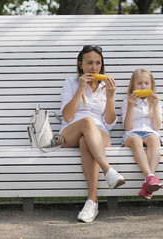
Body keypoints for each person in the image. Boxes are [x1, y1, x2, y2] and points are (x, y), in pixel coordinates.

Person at [59, 45, 125, 223]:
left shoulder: (106, 85)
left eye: (98, 63)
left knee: (86, 141)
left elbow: (110, 123)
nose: (94, 67)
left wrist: (111, 96)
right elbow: (67, 115)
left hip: (99, 132)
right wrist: (81, 88)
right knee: (87, 121)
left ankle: (92, 202)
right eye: (89, 63)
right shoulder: (71, 82)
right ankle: (108, 170)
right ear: (80, 64)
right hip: (70, 131)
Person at [121, 69, 163, 200]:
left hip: (150, 133)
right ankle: (150, 177)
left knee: (154, 140)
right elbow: (127, 127)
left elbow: (156, 127)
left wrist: (155, 106)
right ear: (133, 86)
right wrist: (130, 106)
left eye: (146, 83)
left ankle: (149, 183)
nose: (143, 86)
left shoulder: (155, 102)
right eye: (139, 83)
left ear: (152, 85)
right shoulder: (126, 102)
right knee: (135, 140)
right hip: (132, 134)